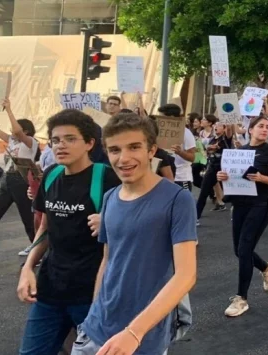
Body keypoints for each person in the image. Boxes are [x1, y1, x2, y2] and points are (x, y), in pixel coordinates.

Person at [74, 113, 197, 354]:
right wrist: (94, 310)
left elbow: (186, 275)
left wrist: (134, 332)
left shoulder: (177, 200)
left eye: (134, 147)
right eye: (115, 150)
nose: (124, 158)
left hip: (142, 336)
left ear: (152, 151)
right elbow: (108, 260)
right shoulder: (110, 197)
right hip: (95, 329)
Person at [16, 109, 121, 354]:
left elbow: (138, 224)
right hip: (50, 290)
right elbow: (45, 227)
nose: (60, 145)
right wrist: (28, 267)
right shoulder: (51, 175)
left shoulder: (107, 178)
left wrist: (109, 220)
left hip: (92, 294)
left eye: (70, 139)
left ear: (89, 143)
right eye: (55, 140)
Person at [217, 117, 268, 318]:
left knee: (245, 248)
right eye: (260, 126)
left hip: (261, 205)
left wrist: (262, 178)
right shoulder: (240, 152)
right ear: (250, 129)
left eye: (267, 127)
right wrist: (222, 177)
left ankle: (241, 299)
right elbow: (230, 176)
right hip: (240, 204)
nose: (264, 129)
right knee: (239, 250)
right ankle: (265, 267)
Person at [0, 98, 38, 255]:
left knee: (27, 217)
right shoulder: (12, 140)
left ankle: (37, 250)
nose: (12, 132)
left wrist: (9, 109)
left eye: (16, 129)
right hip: (7, 179)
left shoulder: (30, 142)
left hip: (21, 181)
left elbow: (17, 131)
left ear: (26, 131)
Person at [196, 121, 233, 224]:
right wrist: (209, 149)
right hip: (213, 168)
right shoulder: (212, 139)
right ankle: (196, 216)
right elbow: (207, 151)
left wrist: (227, 118)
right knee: (204, 191)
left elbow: (230, 129)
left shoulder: (226, 138)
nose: (216, 127)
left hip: (224, 169)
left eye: (219, 125)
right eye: (215, 125)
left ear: (224, 128)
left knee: (234, 193)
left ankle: (237, 213)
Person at [159, 104, 196, 190]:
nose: (160, 120)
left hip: (181, 178)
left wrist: (180, 152)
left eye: (162, 117)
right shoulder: (160, 133)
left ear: (171, 117)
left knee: (182, 202)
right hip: (165, 176)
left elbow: (192, 157)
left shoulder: (186, 133)